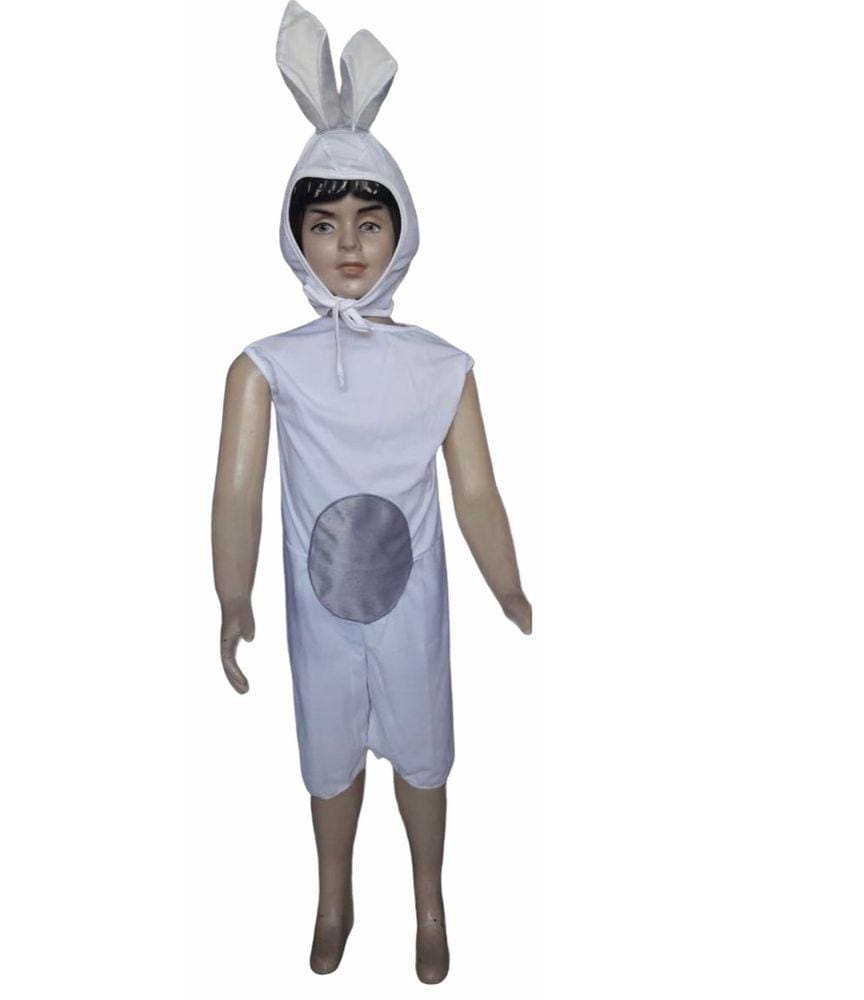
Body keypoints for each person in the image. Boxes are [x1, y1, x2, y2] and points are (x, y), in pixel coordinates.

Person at [211, 2, 531, 984]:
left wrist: (508, 582)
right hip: (317, 612)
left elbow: (476, 490)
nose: (347, 245)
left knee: (424, 754)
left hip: (413, 602)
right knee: (328, 757)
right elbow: (236, 494)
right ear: (293, 235)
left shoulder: (444, 366)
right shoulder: (266, 367)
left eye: (368, 221)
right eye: (323, 224)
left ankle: (430, 897)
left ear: (402, 230)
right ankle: (333, 892)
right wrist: (232, 594)